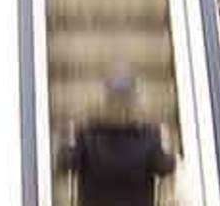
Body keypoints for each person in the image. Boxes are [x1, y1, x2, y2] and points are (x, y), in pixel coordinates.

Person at [55, 72, 175, 206]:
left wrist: (67, 141)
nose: (121, 108)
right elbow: (164, 167)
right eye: (117, 102)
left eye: (123, 102)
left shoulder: (88, 133)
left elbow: (67, 163)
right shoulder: (148, 135)